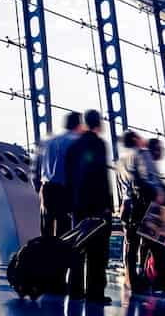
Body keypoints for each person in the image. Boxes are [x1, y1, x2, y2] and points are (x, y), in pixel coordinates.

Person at [66, 110, 113, 305]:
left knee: (77, 245)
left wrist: (70, 202)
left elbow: (69, 176)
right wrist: (107, 205)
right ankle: (95, 292)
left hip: (78, 204)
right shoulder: (98, 144)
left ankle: (75, 289)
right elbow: (100, 175)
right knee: (98, 250)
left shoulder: (73, 145)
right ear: (98, 123)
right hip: (96, 204)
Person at [117, 131, 165, 294]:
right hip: (143, 205)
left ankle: (131, 280)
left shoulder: (121, 160)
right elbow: (148, 178)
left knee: (131, 244)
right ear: (136, 140)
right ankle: (160, 280)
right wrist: (160, 193)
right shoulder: (141, 154)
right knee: (156, 243)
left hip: (126, 205)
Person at [35, 112, 84, 238]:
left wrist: (39, 188)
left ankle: (45, 256)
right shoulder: (75, 141)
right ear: (78, 125)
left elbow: (36, 168)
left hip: (46, 188)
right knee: (64, 231)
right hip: (64, 191)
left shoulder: (48, 141)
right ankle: (60, 257)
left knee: (46, 229)